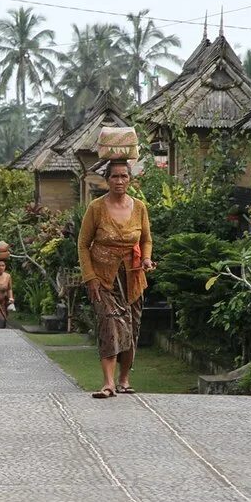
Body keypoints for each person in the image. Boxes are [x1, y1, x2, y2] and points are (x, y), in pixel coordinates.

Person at [78, 159, 154, 400]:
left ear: (130, 180)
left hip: (132, 278)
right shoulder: (96, 208)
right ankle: (108, 383)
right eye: (114, 177)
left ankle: (124, 379)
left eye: (124, 176)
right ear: (107, 179)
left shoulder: (140, 207)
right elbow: (82, 244)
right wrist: (90, 277)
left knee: (131, 328)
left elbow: (146, 240)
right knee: (109, 326)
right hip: (103, 279)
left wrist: (147, 260)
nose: (119, 181)